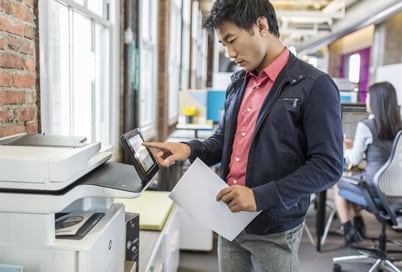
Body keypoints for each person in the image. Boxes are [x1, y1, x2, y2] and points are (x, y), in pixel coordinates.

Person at [144, 0, 344, 271]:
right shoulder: (238, 83)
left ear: (261, 25)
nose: (229, 53)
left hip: (274, 229)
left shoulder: (314, 86)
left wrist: (260, 196)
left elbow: (328, 166)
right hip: (229, 220)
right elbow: (223, 140)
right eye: (223, 45)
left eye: (232, 40)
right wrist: (189, 149)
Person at [334, 81, 402, 248]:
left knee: (339, 184)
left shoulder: (367, 126)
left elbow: (354, 160)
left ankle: (348, 229)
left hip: (374, 188)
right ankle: (358, 223)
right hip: (396, 189)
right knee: (356, 180)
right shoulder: (399, 126)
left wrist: (346, 148)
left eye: (368, 98)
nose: (366, 101)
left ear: (376, 102)